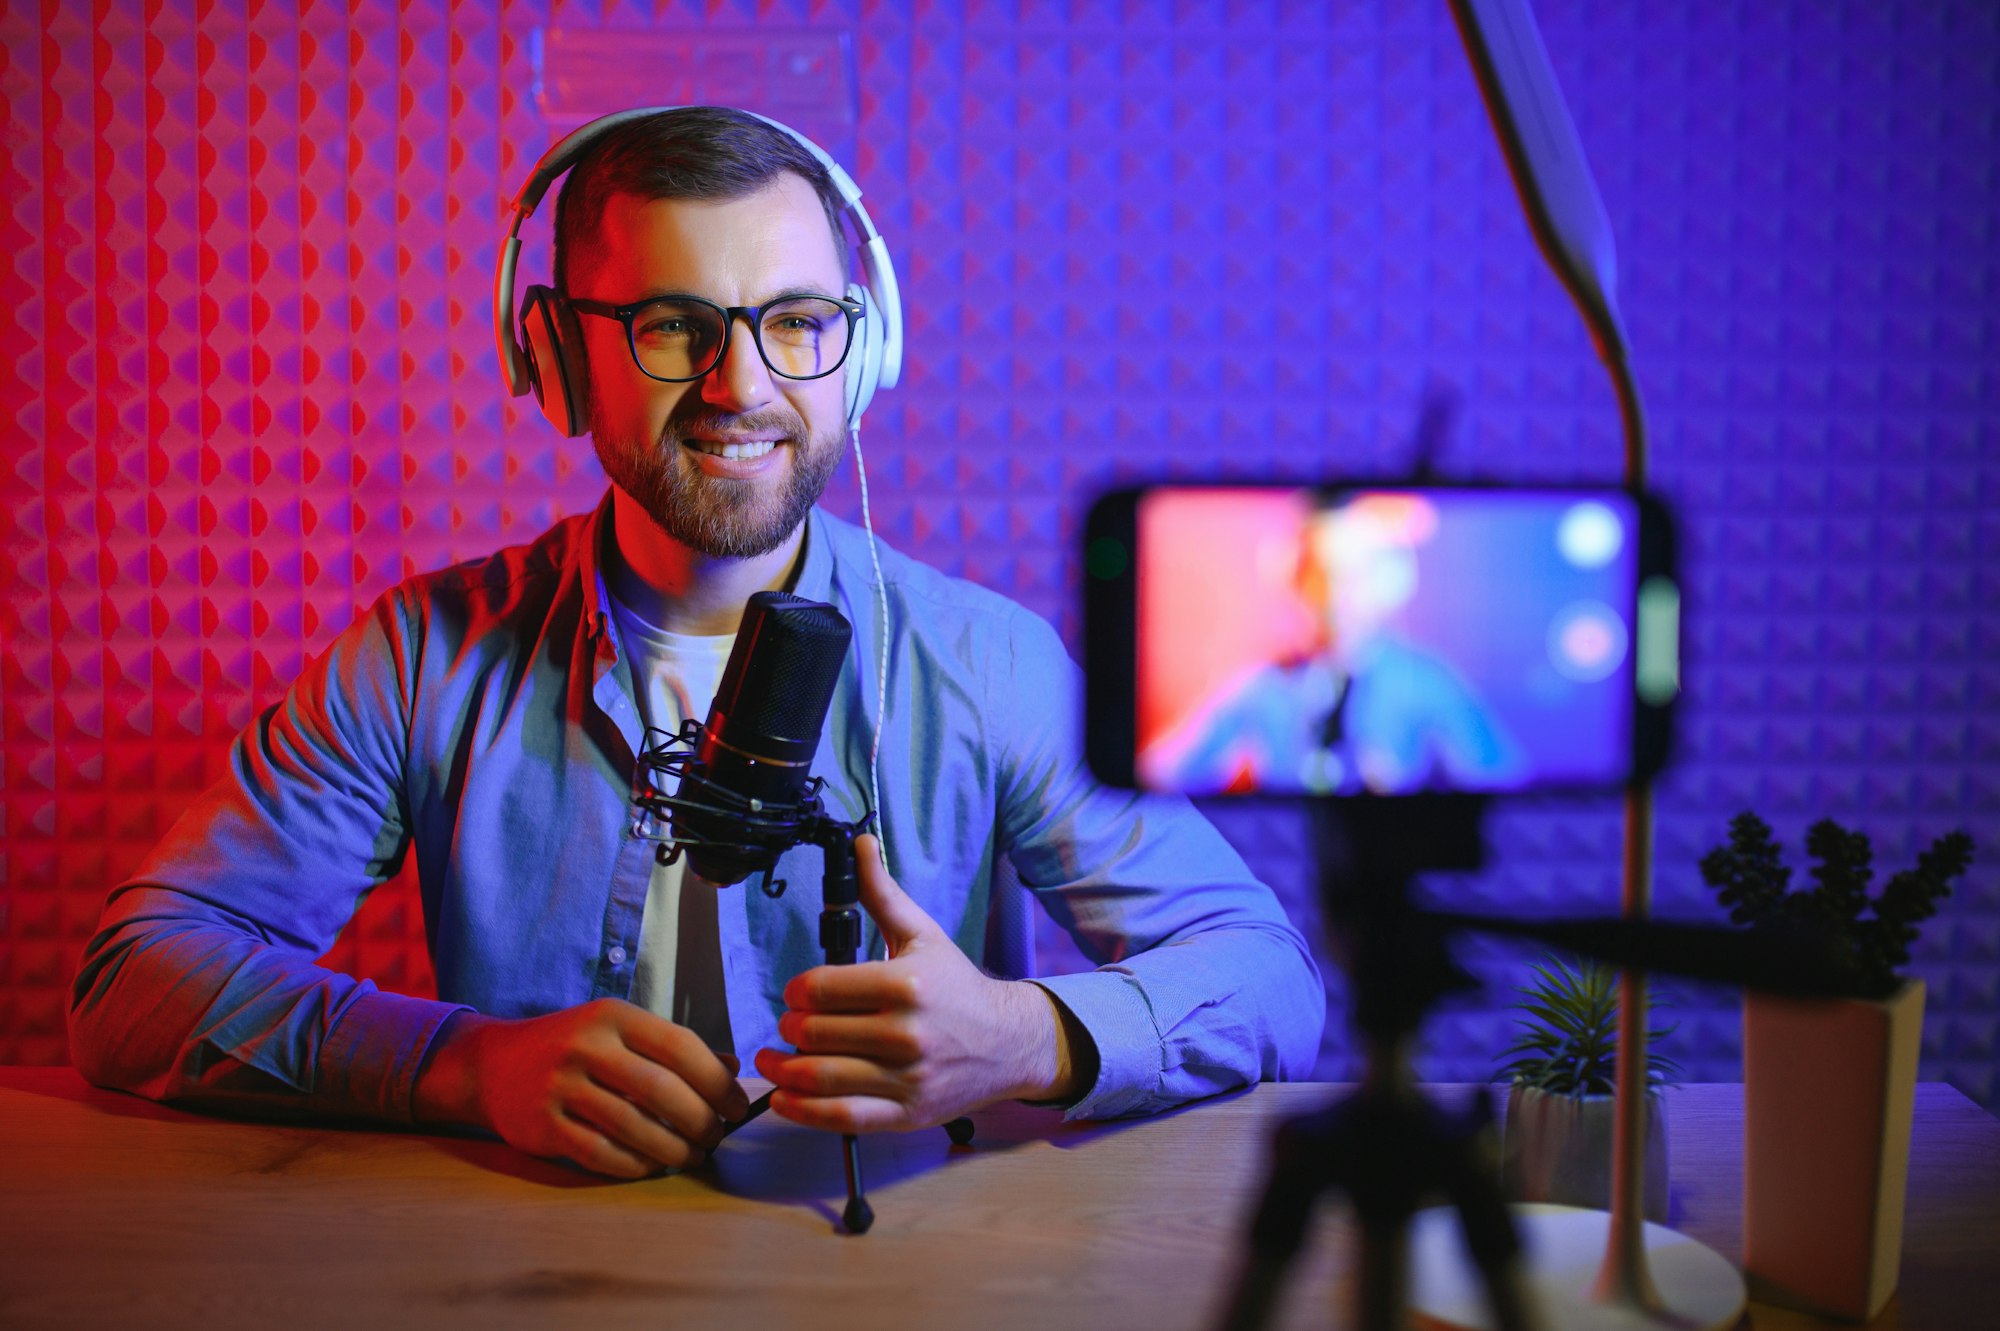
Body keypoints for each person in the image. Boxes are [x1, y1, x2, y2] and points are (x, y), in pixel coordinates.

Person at [67, 107, 1323, 1179]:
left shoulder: (984, 664)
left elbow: (1269, 978)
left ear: (861, 348)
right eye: (674, 325)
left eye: (794, 321)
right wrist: (459, 1064)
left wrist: (1026, 1033)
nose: (740, 386)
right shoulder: (422, 656)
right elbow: (134, 982)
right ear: (556, 355)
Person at [1144, 492, 1523, 796]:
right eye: (1319, 576)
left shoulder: (1424, 681)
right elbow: (1160, 772)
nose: (1334, 597)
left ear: (1387, 581)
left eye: (1351, 576)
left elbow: (1502, 777)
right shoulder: (1263, 685)